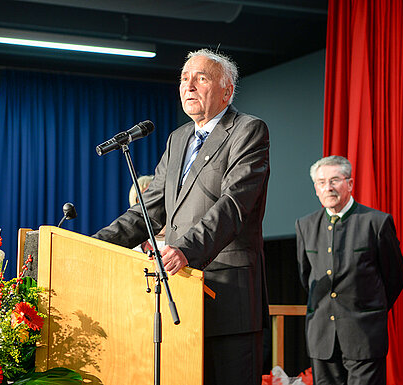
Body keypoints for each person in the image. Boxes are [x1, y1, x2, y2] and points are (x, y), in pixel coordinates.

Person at [92, 48, 270, 385]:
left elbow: (234, 204)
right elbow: (148, 211)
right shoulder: (177, 140)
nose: (188, 86)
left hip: (228, 296)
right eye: (184, 79)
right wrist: (91, 246)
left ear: (226, 90)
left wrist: (185, 248)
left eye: (200, 79)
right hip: (179, 297)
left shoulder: (248, 130)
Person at [295, 155, 403, 385]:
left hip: (365, 335)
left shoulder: (376, 222)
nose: (328, 188)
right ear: (315, 188)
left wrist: (368, 308)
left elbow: (394, 278)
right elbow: (307, 278)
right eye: (321, 182)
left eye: (335, 180)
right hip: (322, 337)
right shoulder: (305, 226)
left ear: (350, 183)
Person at [128, 175, 165, 253]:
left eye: (153, 195)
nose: (150, 201)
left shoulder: (181, 234)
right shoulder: (134, 245)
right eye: (141, 197)